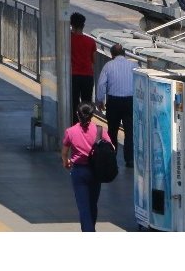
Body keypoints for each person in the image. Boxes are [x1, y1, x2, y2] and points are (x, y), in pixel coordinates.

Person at [61, 101, 104, 232]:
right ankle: (91, 228)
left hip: (79, 172)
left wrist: (66, 162)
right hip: (96, 171)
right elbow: (111, 148)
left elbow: (64, 152)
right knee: (92, 204)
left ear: (77, 114)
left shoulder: (70, 131)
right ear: (92, 115)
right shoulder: (99, 130)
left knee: (83, 206)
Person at [95, 43, 136, 168]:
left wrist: (100, 100)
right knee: (130, 131)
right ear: (124, 54)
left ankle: (112, 157)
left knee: (112, 131)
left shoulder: (108, 66)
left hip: (113, 101)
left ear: (112, 55)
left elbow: (101, 84)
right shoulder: (134, 65)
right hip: (130, 101)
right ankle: (129, 159)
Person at [70, 12, 97, 120]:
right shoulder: (91, 41)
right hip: (87, 76)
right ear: (83, 25)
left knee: (73, 102)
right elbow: (94, 60)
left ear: (72, 24)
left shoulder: (67, 39)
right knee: (86, 103)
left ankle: (75, 123)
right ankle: (86, 123)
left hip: (73, 76)